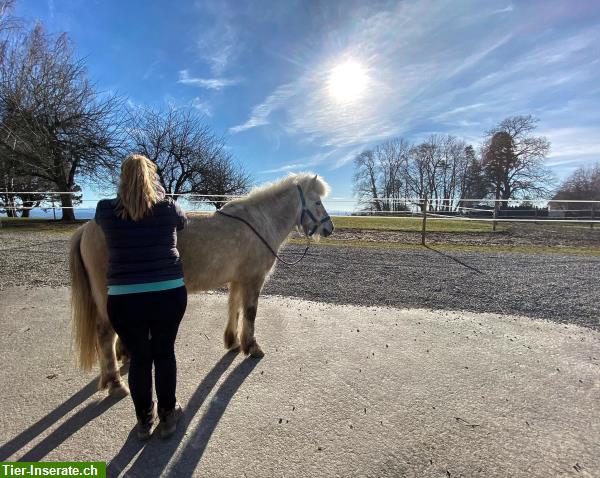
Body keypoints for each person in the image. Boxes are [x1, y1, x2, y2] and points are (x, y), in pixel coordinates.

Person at [95, 154, 188, 440]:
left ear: (122, 179)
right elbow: (183, 224)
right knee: (164, 352)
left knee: (139, 359)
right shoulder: (169, 207)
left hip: (124, 298)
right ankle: (168, 416)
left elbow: (113, 220)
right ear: (153, 179)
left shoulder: (104, 210)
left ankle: (144, 422)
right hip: (168, 293)